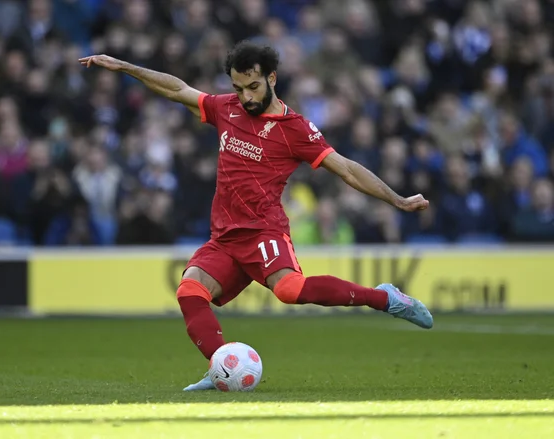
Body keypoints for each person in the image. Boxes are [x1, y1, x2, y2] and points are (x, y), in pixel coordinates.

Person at [79, 41, 433, 391]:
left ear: (272, 78)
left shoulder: (296, 129)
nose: (246, 97)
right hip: (224, 238)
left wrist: (397, 200)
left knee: (290, 290)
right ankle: (221, 365)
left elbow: (347, 170)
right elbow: (178, 89)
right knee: (190, 290)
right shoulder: (227, 108)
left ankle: (385, 298)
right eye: (238, 88)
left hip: (264, 231)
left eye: (253, 87)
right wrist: (125, 67)